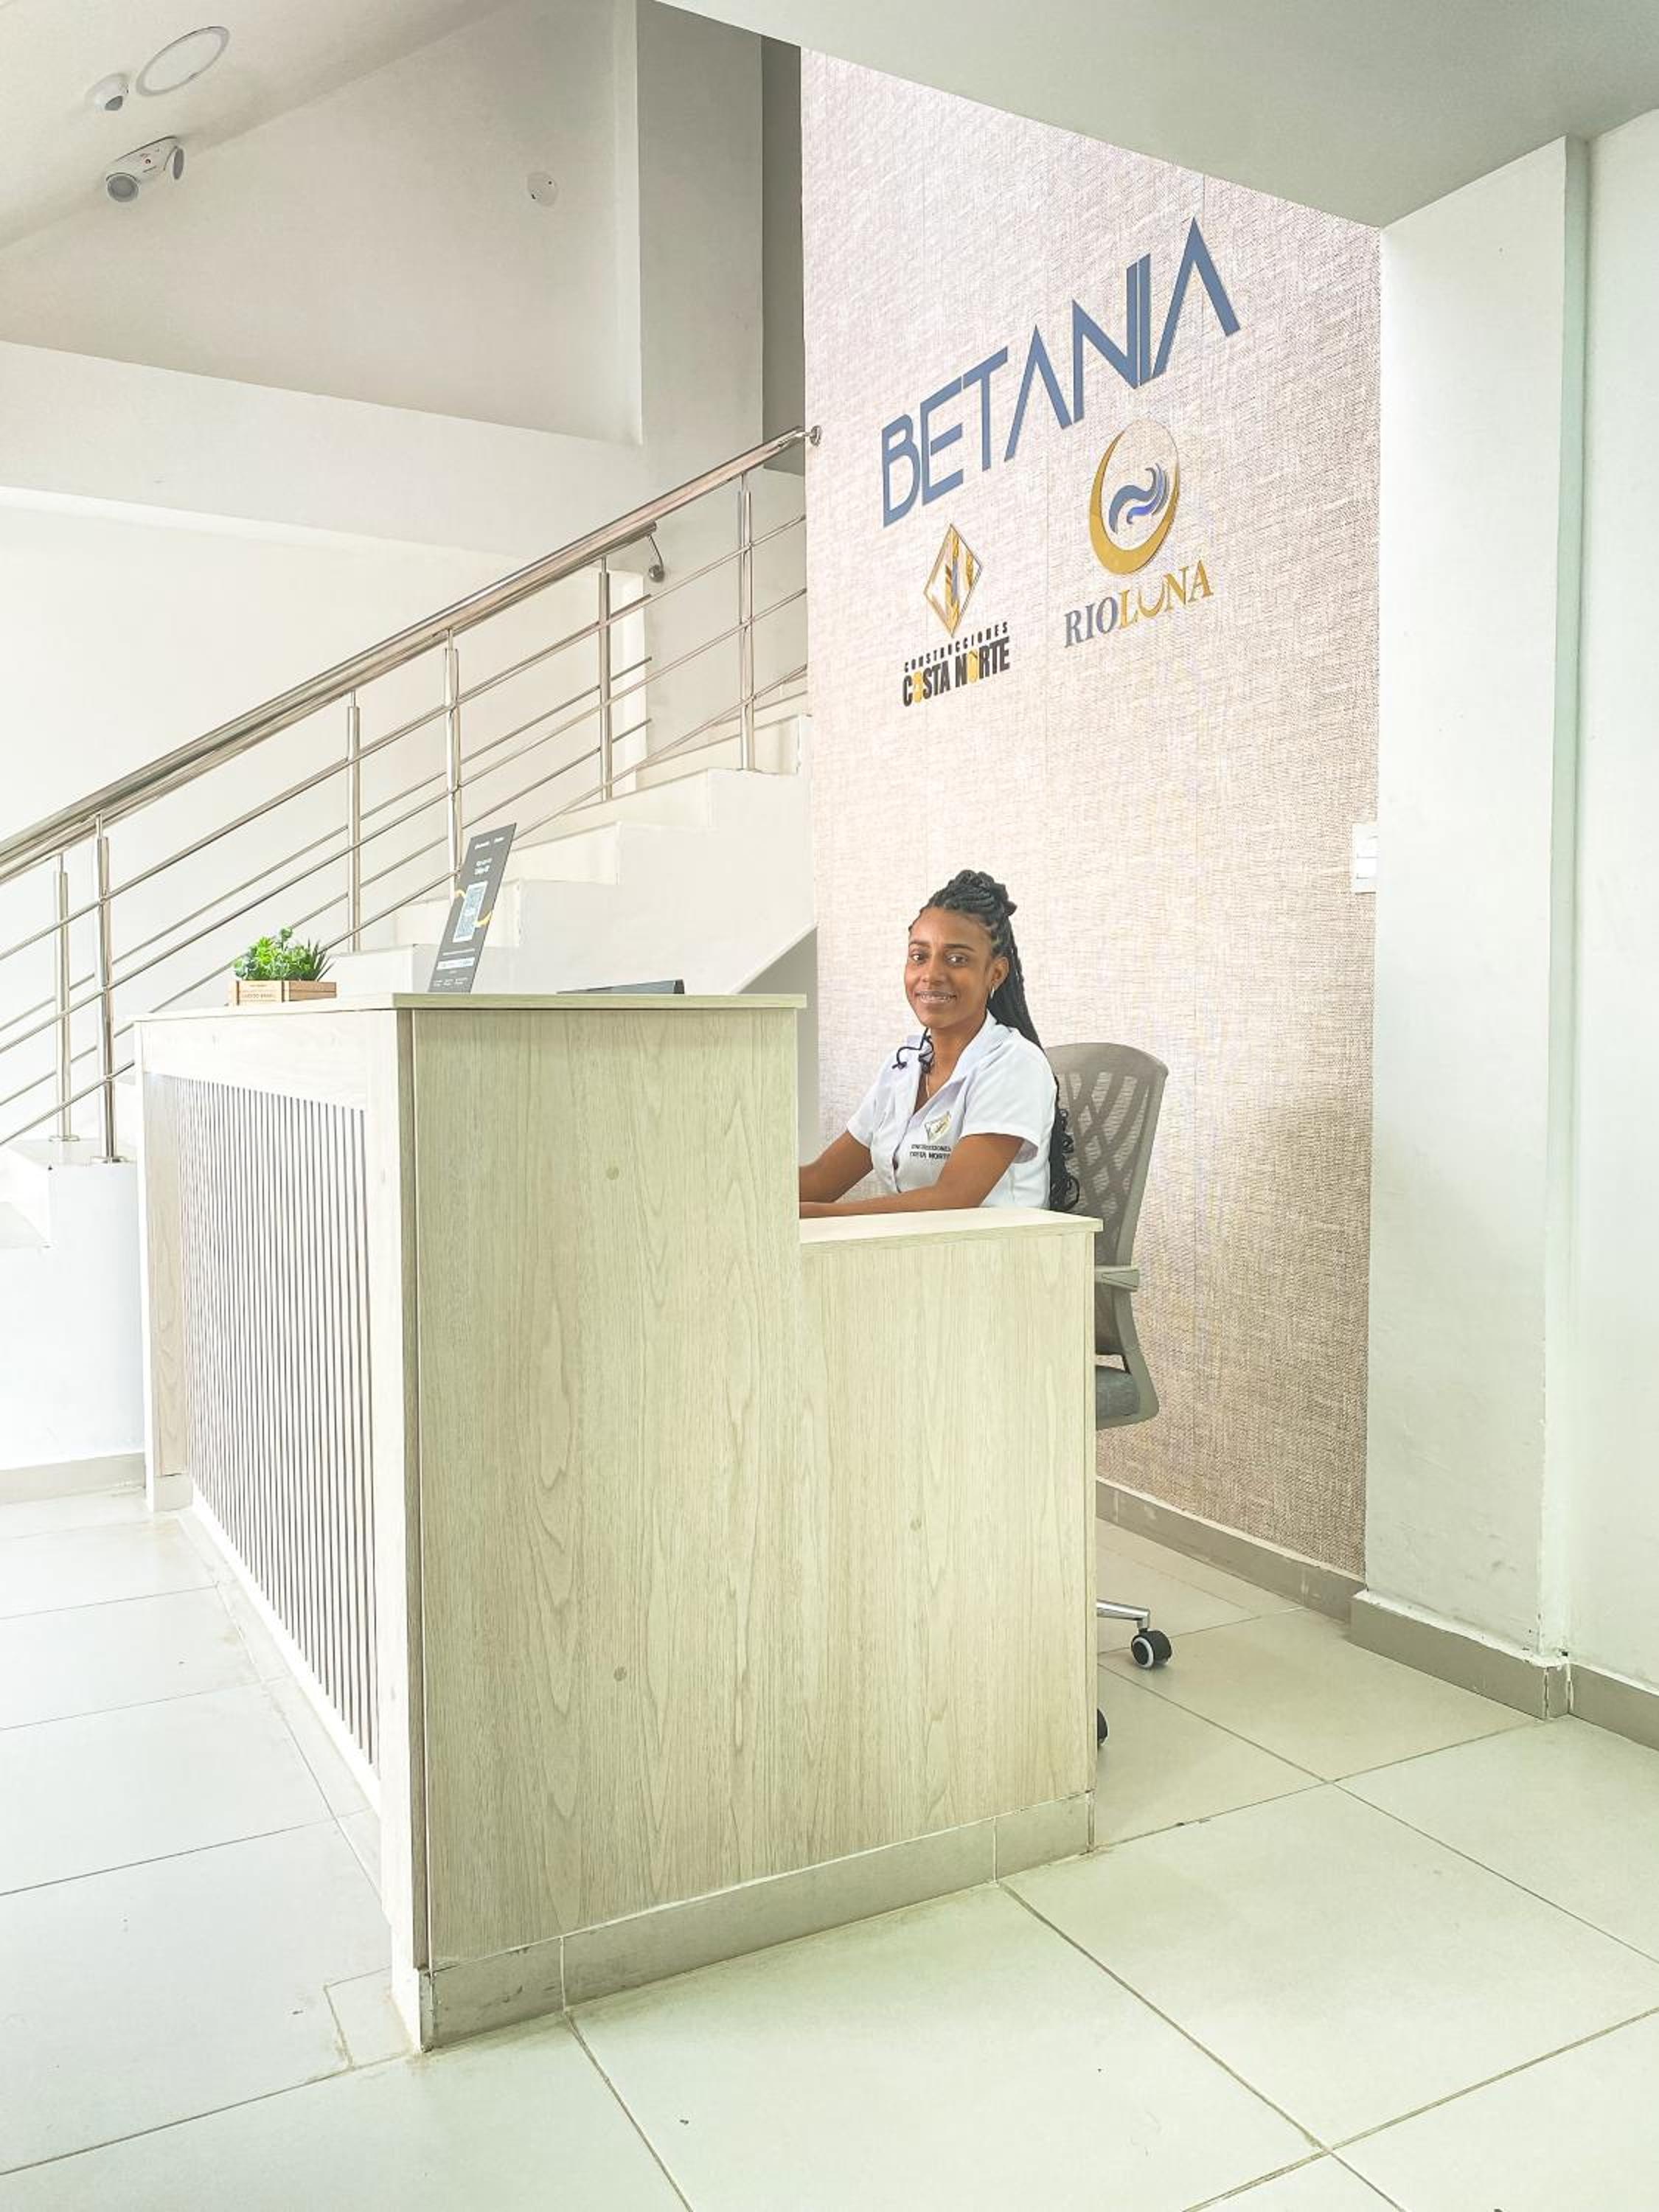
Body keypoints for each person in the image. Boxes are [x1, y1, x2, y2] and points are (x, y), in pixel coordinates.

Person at [799, 869, 1078, 1217]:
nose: (931, 975)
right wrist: (744, 1190)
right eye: (919, 956)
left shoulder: (1015, 1064)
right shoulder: (903, 1066)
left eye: (957, 959)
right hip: (915, 1247)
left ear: (996, 972)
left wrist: (812, 1217)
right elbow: (822, 1179)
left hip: (991, 1250)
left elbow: (953, 1199)